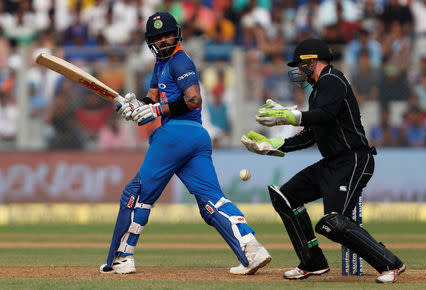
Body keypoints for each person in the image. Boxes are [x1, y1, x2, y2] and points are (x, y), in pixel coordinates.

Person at [99, 12, 271, 275]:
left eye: (166, 35)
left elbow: (193, 100)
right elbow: (152, 98)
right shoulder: (160, 64)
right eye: (157, 38)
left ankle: (123, 257)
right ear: (150, 41)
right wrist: (134, 107)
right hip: (196, 139)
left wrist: (156, 111)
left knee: (136, 195)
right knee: (212, 202)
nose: (163, 41)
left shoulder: (180, 60)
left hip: (176, 135)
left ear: (176, 34)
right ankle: (252, 249)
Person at [241, 38, 405, 283]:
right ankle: (312, 262)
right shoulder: (318, 91)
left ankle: (391, 264)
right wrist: (274, 146)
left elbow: (325, 114)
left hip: (353, 160)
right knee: (286, 197)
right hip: (332, 163)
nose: (297, 71)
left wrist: (290, 116)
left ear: (312, 61)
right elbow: (311, 134)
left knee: (333, 221)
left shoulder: (333, 79)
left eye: (300, 64)